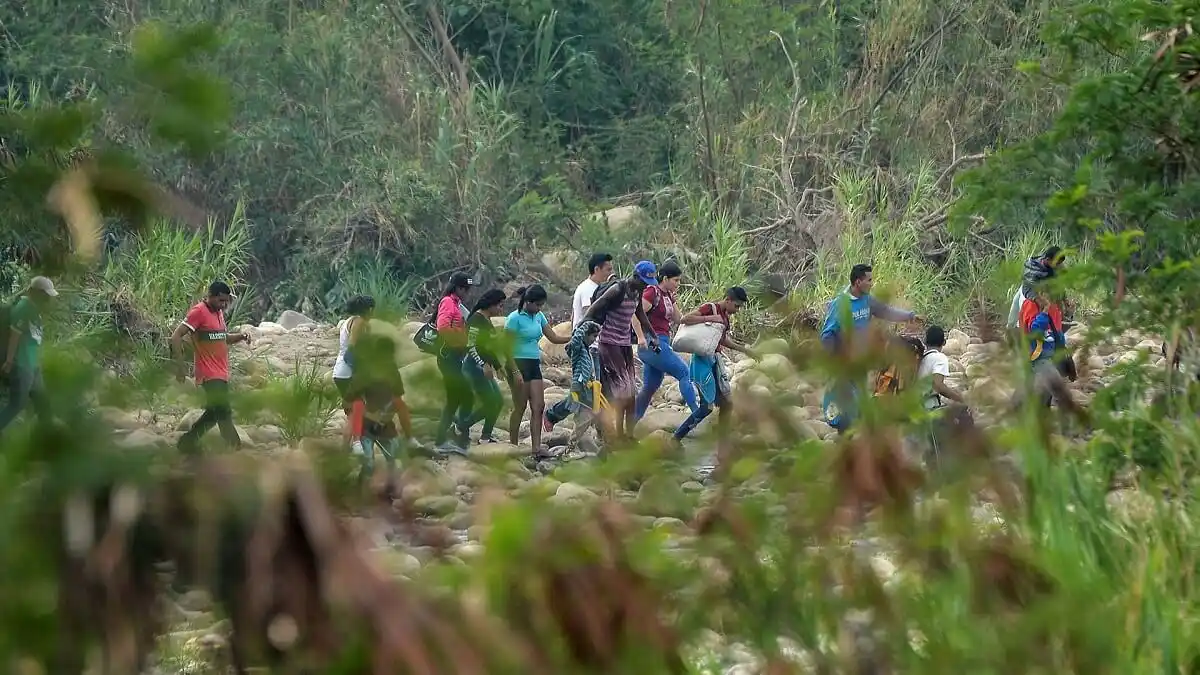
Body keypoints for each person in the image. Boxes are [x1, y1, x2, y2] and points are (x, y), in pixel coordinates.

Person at [819, 264, 919, 434]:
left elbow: (885, 311)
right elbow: (826, 335)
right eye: (869, 280)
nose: (872, 283)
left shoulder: (867, 300)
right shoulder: (841, 304)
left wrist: (909, 316)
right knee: (849, 404)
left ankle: (849, 440)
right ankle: (846, 437)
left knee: (856, 404)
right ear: (858, 282)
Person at [172, 281, 252, 455]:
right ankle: (234, 446)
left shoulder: (219, 313)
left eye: (226, 302)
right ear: (211, 296)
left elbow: (223, 338)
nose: (224, 305)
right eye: (221, 301)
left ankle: (187, 442)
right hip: (208, 372)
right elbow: (176, 335)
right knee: (223, 409)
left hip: (221, 371)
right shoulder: (199, 311)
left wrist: (241, 336)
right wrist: (179, 367)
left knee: (213, 412)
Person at [583, 261, 659, 439]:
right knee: (622, 392)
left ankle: (628, 435)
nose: (645, 286)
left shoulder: (636, 291)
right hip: (609, 345)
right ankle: (615, 434)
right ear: (635, 276)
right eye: (643, 282)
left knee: (631, 392)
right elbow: (595, 307)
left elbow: (640, 314)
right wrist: (582, 328)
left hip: (624, 345)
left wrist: (653, 336)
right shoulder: (618, 289)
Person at [673, 287, 755, 442]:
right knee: (706, 407)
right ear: (728, 300)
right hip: (701, 362)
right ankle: (676, 437)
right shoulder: (710, 308)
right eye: (736, 306)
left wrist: (744, 350)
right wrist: (708, 318)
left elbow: (721, 339)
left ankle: (722, 440)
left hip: (714, 361)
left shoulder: (725, 316)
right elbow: (685, 319)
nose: (737, 310)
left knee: (726, 404)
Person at [632, 261, 701, 422]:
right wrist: (641, 337)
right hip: (652, 343)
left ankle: (629, 424)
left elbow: (678, 319)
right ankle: (697, 414)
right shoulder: (651, 292)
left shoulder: (667, 295)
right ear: (665, 278)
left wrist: (674, 301)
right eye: (675, 280)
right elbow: (634, 314)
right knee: (684, 372)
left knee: (650, 387)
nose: (678, 284)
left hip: (662, 341)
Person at [506, 285, 569, 456]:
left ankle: (536, 446)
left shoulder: (539, 316)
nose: (540, 308)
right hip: (518, 363)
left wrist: (574, 337)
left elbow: (553, 337)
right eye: (538, 305)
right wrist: (514, 372)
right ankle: (513, 444)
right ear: (528, 302)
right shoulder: (514, 318)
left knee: (539, 406)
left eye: (542, 305)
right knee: (520, 407)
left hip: (533, 363)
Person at [346, 334, 413, 485]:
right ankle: (362, 492)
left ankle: (389, 492)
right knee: (368, 464)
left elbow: (398, 400)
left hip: (386, 425)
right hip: (365, 426)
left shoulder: (392, 372)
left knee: (394, 462)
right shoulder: (364, 373)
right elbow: (349, 401)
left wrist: (408, 433)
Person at [0, 276, 58, 434]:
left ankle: (49, 440)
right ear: (34, 292)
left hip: (33, 366)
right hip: (21, 365)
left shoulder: (34, 310)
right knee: (16, 405)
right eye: (45, 295)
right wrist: (9, 361)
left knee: (43, 403)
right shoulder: (23, 308)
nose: (47, 299)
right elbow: (15, 335)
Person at [460, 289, 516, 444]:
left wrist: (498, 367)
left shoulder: (486, 319)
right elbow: (471, 346)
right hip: (474, 367)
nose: (501, 309)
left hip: (486, 366)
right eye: (499, 305)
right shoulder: (475, 320)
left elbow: (488, 348)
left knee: (497, 401)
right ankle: (461, 426)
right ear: (490, 304)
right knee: (491, 402)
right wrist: (483, 364)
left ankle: (485, 436)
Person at [434, 272, 476, 454]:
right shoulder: (448, 302)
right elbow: (442, 327)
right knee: (461, 396)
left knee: (460, 397)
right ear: (458, 288)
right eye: (466, 289)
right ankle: (446, 438)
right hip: (448, 357)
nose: (468, 292)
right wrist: (460, 342)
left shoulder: (457, 304)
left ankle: (453, 435)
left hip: (455, 356)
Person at [915, 325, 968, 470]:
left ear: (925, 341)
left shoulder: (923, 358)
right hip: (929, 409)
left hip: (917, 408)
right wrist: (960, 399)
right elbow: (938, 386)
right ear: (944, 343)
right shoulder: (939, 358)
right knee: (963, 412)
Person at [543, 320, 602, 443]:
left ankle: (579, 438)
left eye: (596, 336)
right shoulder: (577, 349)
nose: (594, 339)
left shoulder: (587, 350)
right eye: (593, 336)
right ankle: (551, 417)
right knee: (573, 406)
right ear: (584, 334)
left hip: (587, 387)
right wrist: (585, 326)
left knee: (580, 409)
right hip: (578, 386)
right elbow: (575, 340)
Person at [332, 295, 374, 440]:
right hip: (347, 372)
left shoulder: (347, 322)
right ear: (369, 309)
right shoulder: (359, 322)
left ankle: (351, 448)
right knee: (356, 412)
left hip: (339, 372)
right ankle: (353, 447)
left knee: (353, 412)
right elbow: (350, 352)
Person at [1006, 246, 1065, 330]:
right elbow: (1029, 290)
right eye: (1057, 263)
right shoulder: (1032, 269)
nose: (1059, 266)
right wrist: (1040, 300)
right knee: (1019, 318)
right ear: (1048, 260)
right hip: (1029, 290)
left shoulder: (1054, 264)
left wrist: (1064, 299)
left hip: (1043, 290)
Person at [572, 253, 614, 328]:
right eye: (608, 270)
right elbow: (590, 314)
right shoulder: (587, 289)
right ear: (597, 269)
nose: (611, 273)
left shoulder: (599, 287)